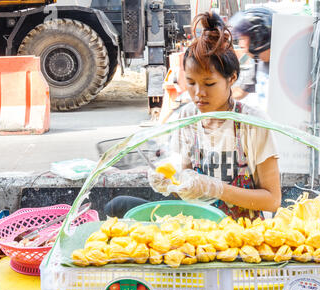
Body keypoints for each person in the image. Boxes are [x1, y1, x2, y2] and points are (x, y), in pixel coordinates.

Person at [104, 11, 281, 220]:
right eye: (191, 82)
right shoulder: (188, 116)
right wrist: (171, 181)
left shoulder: (251, 124)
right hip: (194, 226)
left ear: (232, 78)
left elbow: (272, 200)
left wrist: (218, 189)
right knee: (118, 206)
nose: (198, 94)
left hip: (238, 235)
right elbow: (185, 187)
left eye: (209, 84)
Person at [229, 7, 274, 110]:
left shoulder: (284, 63)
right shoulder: (258, 63)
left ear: (258, 38)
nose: (240, 44)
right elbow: (240, 92)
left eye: (243, 39)